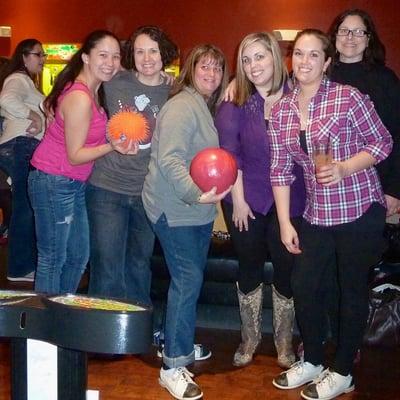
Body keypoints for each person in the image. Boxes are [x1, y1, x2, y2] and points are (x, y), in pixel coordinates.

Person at [269, 29, 392, 400]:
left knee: (350, 290)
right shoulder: (282, 108)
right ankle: (314, 361)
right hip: (317, 214)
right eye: (299, 54)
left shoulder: (349, 97)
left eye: (313, 55)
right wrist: (286, 222)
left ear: (326, 62)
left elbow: (382, 142)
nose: (304, 62)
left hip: (358, 206)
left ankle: (342, 372)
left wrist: (344, 167)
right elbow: (279, 169)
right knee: (304, 285)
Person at [142, 44, 229, 400]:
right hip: (174, 208)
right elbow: (170, 160)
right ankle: (173, 365)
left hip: (194, 209)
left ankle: (180, 342)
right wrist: (197, 194)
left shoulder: (202, 105)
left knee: (189, 280)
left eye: (217, 69)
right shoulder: (181, 106)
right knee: (187, 278)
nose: (210, 74)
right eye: (203, 67)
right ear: (190, 70)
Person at [215, 32, 305, 369]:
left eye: (260, 57)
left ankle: (283, 340)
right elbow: (230, 155)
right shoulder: (234, 101)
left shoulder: (299, 95)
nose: (254, 66)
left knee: (287, 269)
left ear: (276, 58)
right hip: (247, 197)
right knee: (250, 266)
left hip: (293, 201)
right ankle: (250, 337)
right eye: (247, 60)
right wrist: (237, 201)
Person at [28, 30, 130, 295]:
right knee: (53, 259)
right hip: (53, 180)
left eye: (115, 56)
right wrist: (112, 146)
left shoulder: (94, 91)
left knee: (77, 257)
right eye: (103, 55)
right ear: (86, 57)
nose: (110, 62)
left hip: (72, 183)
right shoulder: (81, 97)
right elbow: (75, 154)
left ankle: (61, 315)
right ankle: (45, 329)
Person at [86, 26, 178, 306]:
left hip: (147, 192)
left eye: (153, 50)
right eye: (140, 51)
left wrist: (234, 84)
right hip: (106, 187)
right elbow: (81, 83)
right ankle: (103, 333)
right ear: (132, 55)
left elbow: (212, 87)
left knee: (139, 264)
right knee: (106, 265)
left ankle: (136, 330)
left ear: (164, 54)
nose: (147, 57)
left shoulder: (176, 89)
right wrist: (51, 105)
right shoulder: (116, 79)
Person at [329, 8, 400, 217]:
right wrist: (236, 82)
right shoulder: (320, 74)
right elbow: (278, 84)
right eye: (344, 31)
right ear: (334, 36)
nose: (350, 37)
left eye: (359, 32)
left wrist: (395, 190)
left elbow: (398, 134)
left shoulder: (385, 80)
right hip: (328, 186)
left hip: (375, 186)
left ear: (369, 40)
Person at [0, 39, 45, 282]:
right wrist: (35, 116)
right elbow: (6, 100)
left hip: (20, 146)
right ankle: (19, 268)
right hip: (22, 144)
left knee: (24, 205)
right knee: (25, 207)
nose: (43, 58)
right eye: (39, 54)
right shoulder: (18, 79)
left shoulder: (25, 81)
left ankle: (21, 266)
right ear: (25, 56)